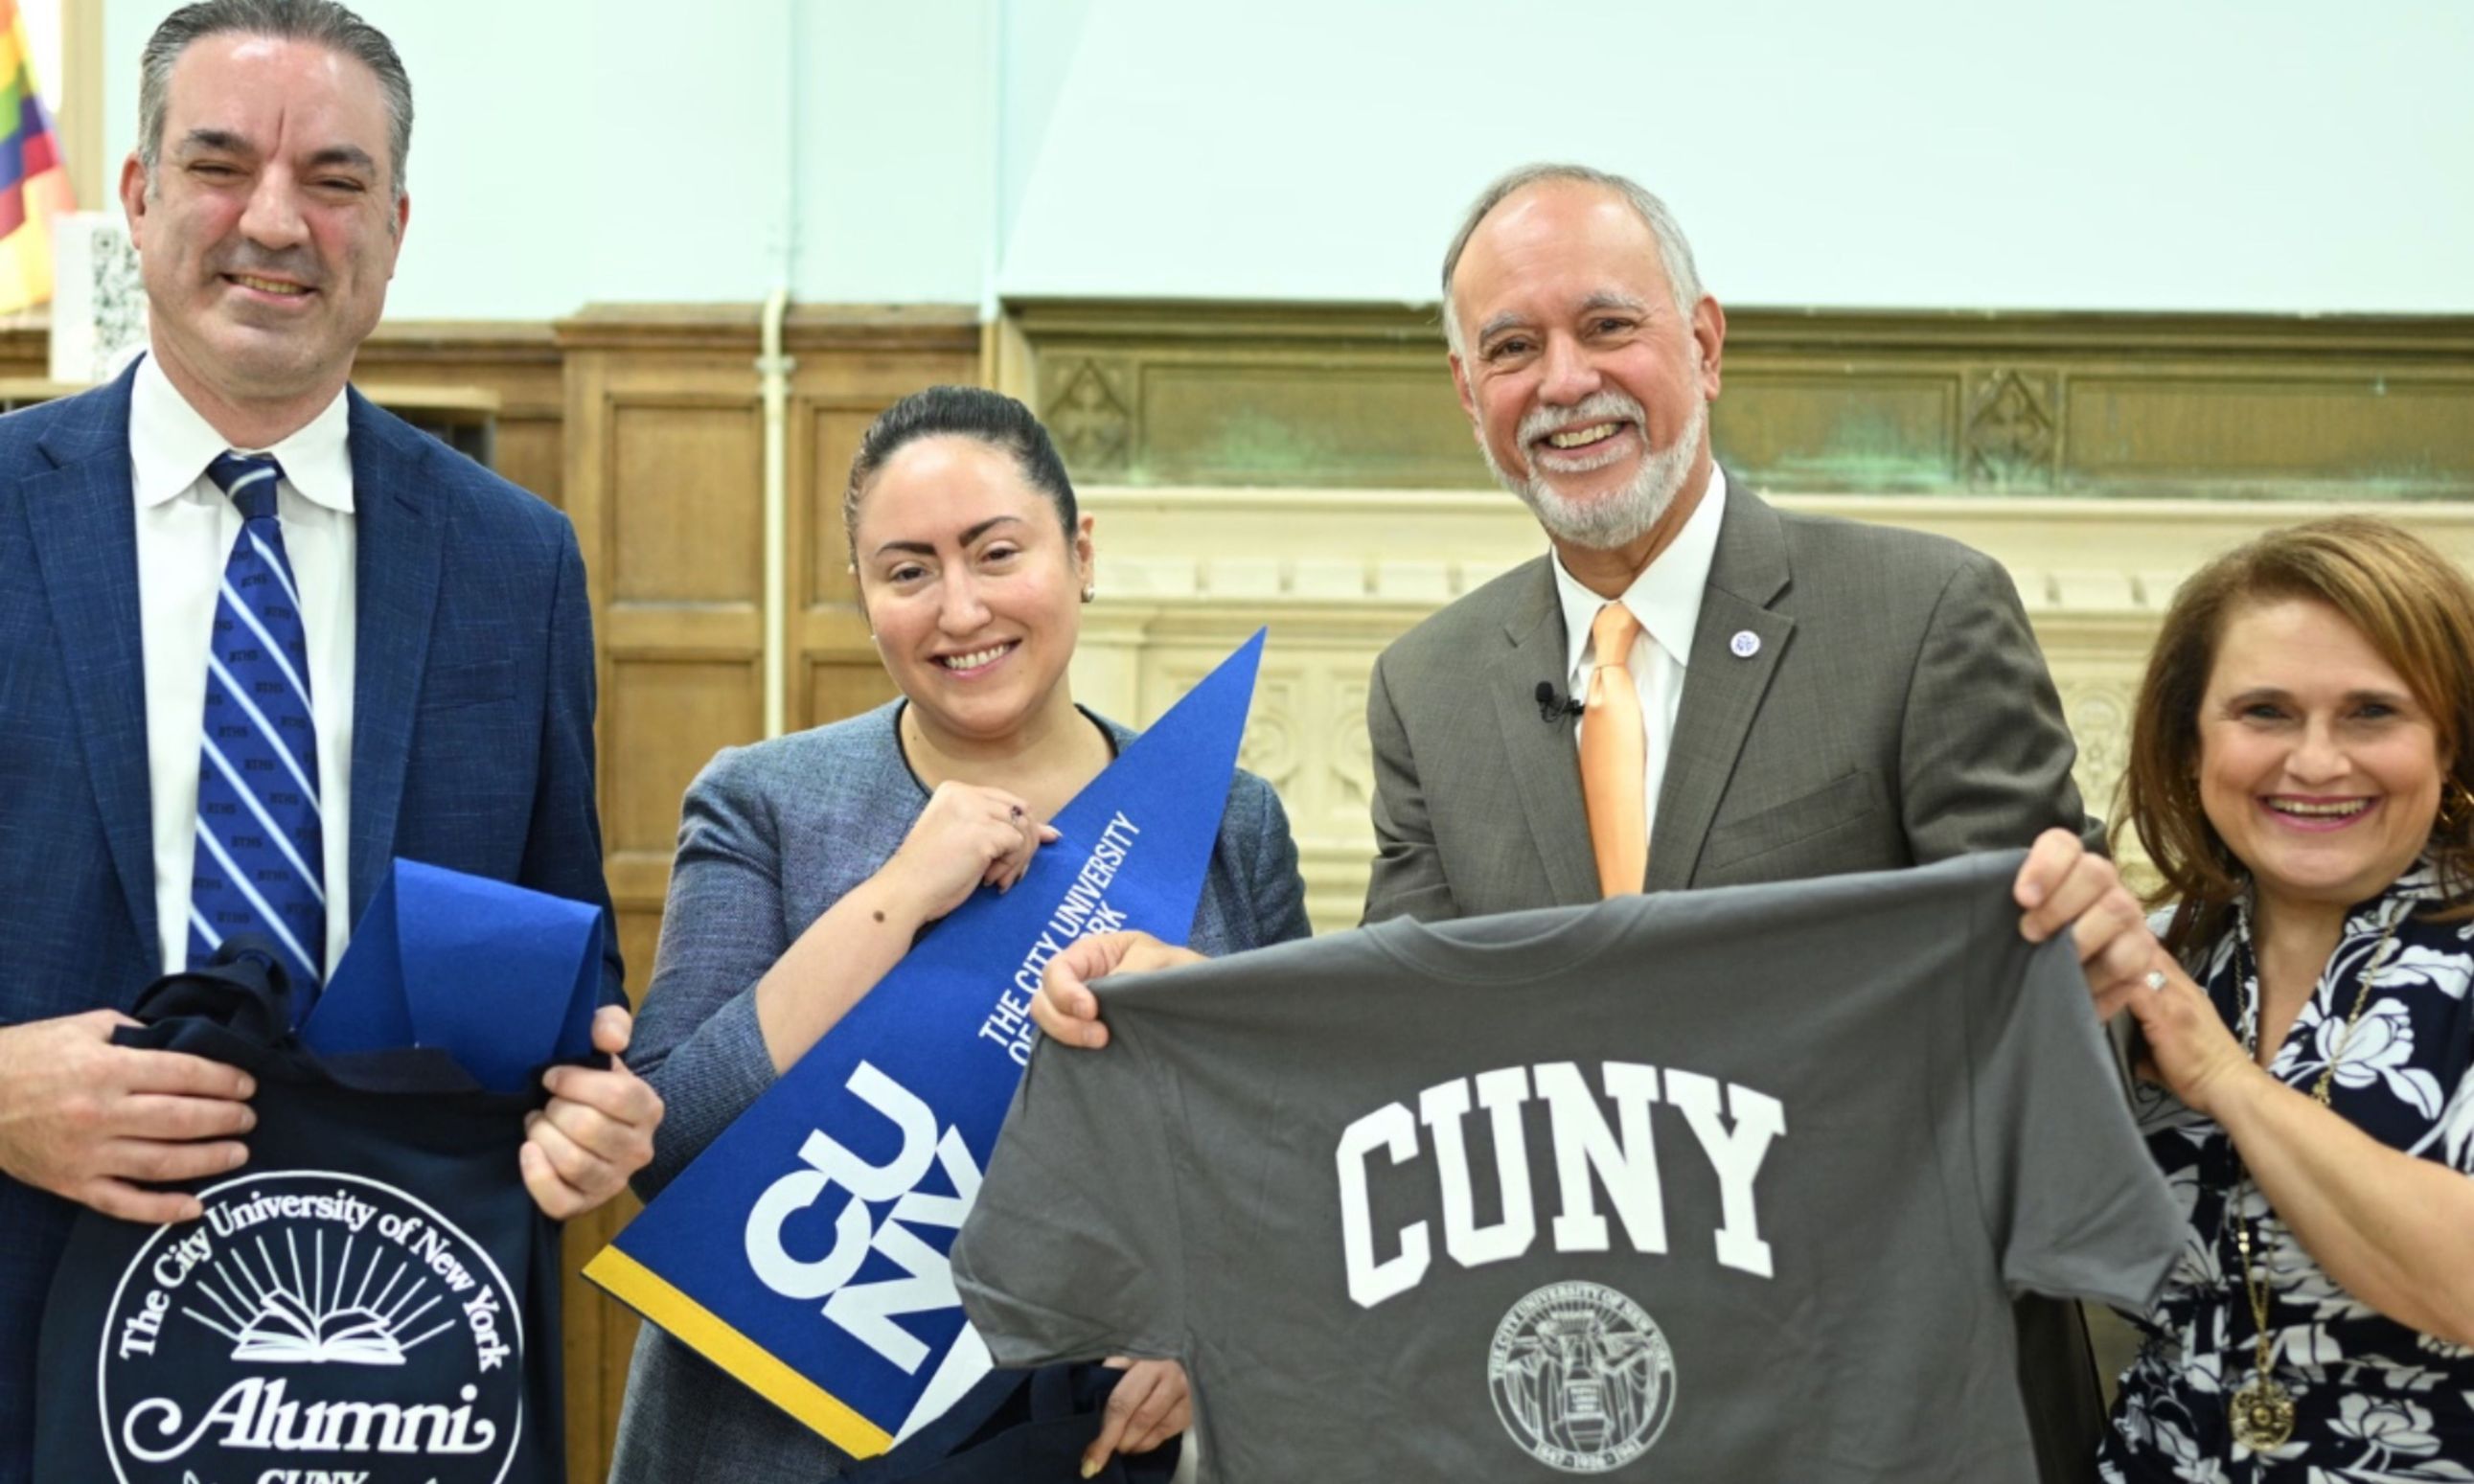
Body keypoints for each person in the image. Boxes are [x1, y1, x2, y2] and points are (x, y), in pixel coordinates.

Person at [1035, 162, 2105, 1480]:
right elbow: (1403, 1045)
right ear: (1467, 395)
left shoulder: (1921, 616)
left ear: (1702, 343)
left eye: (1606, 327)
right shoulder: (1428, 686)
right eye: (1510, 348)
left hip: (1887, 1402)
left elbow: (2040, 1019)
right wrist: (1193, 1003)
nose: (1561, 381)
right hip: (1581, 1402)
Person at [0, 4, 658, 1476]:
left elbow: (570, 970)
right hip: (28, 1332)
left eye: (337, 180)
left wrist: (593, 1108)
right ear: (138, 197)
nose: (277, 222)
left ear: (397, 223)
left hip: (392, 1379)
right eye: (222, 165)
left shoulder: (515, 561)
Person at [609, 385, 1313, 1482]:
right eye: (908, 570)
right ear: (864, 594)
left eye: (995, 553)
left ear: (1079, 552)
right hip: (792, 1438)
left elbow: (1296, 1157)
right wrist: (895, 896)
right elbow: (665, 1145)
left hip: (1093, 1439)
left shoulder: (1226, 819)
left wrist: (1208, 1328)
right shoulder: (764, 803)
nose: (958, 609)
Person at [2018, 516, 2474, 1478]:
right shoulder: (2156, 952)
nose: (2313, 761)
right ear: (2189, 744)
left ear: (2447, 748)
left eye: (2369, 713)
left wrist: (2223, 1073)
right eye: (2263, 711)